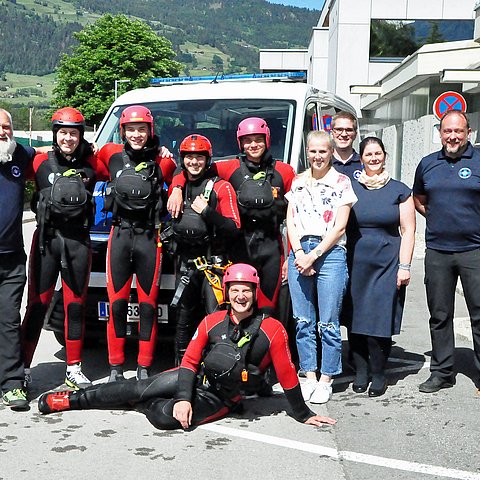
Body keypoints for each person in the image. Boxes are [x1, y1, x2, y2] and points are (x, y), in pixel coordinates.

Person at [37, 263, 336, 430]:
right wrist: (183, 396)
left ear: (255, 294)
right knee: (135, 387)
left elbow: (286, 374)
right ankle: (69, 400)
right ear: (227, 292)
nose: (241, 296)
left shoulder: (273, 330)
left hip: (221, 398)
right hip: (193, 379)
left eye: (247, 290)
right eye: (235, 290)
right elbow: (190, 362)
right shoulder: (212, 321)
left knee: (165, 418)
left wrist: (303, 413)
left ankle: (145, 405)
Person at [168, 117, 296, 315]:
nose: (253, 145)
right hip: (239, 247)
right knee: (239, 308)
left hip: (272, 248)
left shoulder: (285, 171)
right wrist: (176, 187)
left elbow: (294, 215)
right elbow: (191, 167)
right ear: (240, 143)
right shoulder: (228, 168)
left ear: (267, 139)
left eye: (258, 139)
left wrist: (291, 255)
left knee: (269, 309)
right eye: (247, 140)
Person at [21, 107, 108, 390]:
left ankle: (73, 369)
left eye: (73, 133)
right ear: (55, 133)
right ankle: (21, 369)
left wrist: (164, 155)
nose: (68, 138)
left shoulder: (92, 163)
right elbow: (10, 156)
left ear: (81, 135)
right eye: (63, 133)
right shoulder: (39, 162)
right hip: (47, 241)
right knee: (37, 305)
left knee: (75, 306)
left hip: (78, 242)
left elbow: (126, 158)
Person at [95, 105, 176, 382]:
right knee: (116, 304)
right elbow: (82, 162)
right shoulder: (109, 155)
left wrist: (168, 158)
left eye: (142, 129)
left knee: (148, 306)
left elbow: (182, 177)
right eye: (131, 129)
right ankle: (115, 367)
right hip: (118, 235)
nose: (137, 134)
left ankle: (144, 367)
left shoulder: (164, 162)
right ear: (123, 131)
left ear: (150, 131)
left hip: (149, 238)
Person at [286, 130, 357, 404]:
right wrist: (300, 253)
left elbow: (340, 227)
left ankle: (327, 378)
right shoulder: (298, 181)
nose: (317, 156)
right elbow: (290, 222)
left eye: (323, 151)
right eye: (313, 151)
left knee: (328, 322)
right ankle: (310, 375)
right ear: (307, 151)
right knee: (303, 321)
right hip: (300, 252)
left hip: (329, 253)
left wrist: (313, 255)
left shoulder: (341, 182)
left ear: (330, 152)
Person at [413, 110, 480, 394]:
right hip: (438, 251)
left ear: (468, 132)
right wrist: (439, 217)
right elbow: (419, 199)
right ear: (440, 133)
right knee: (440, 315)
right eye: (447, 131)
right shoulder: (428, 164)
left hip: (474, 250)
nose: (453, 136)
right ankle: (442, 372)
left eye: (459, 131)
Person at [343, 137, 415, 397]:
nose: (373, 158)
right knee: (356, 318)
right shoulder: (349, 188)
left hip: (387, 262)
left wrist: (404, 265)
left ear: (385, 156)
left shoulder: (400, 189)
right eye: (368, 154)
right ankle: (360, 372)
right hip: (355, 261)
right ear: (360, 158)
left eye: (378, 153)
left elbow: (408, 231)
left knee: (379, 319)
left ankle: (378, 373)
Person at [168, 134, 240, 364]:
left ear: (208, 159)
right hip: (186, 263)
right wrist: (177, 187)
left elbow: (234, 227)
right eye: (189, 158)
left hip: (213, 265)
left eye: (199, 157)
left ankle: (218, 367)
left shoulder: (221, 187)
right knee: (183, 318)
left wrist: (208, 213)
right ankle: (181, 368)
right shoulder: (178, 185)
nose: (194, 162)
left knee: (217, 318)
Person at [0, 109, 35, 409]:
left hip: (11, 259)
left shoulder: (19, 157)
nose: (3, 131)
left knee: (9, 320)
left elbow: (57, 154)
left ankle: (12, 383)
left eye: (7, 126)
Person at [331, 111, 362, 180]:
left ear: (355, 134)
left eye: (349, 130)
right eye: (339, 129)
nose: (344, 134)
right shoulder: (324, 164)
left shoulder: (364, 163)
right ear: (332, 133)